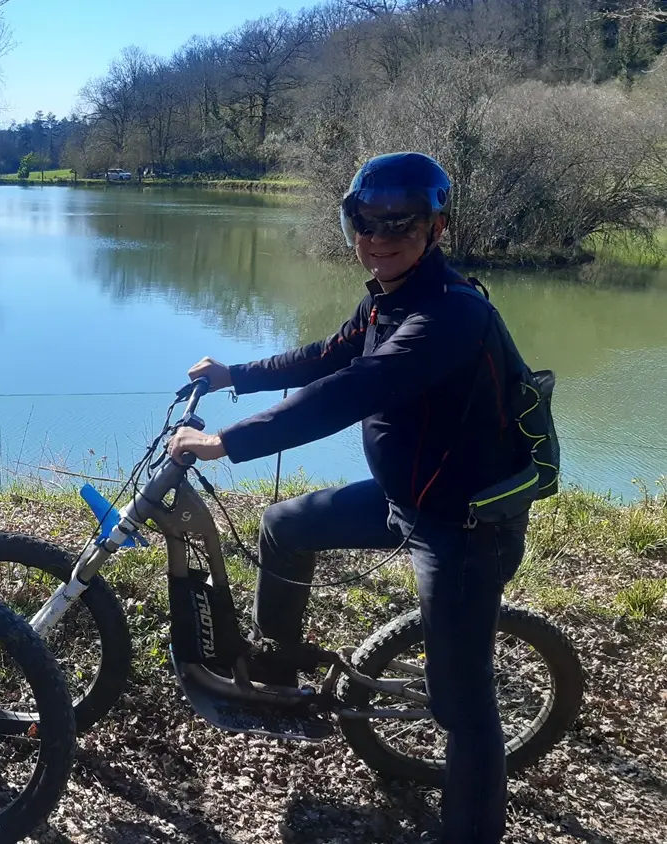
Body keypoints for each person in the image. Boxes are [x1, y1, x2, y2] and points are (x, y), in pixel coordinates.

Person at [165, 152, 531, 844]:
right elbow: (329, 356)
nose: (378, 236)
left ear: (436, 228)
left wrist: (227, 443)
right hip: (403, 499)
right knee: (284, 526)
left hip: (463, 526)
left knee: (462, 707)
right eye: (364, 222)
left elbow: (352, 391)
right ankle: (277, 670)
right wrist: (235, 374)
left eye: (400, 223)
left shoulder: (453, 314)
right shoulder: (387, 297)